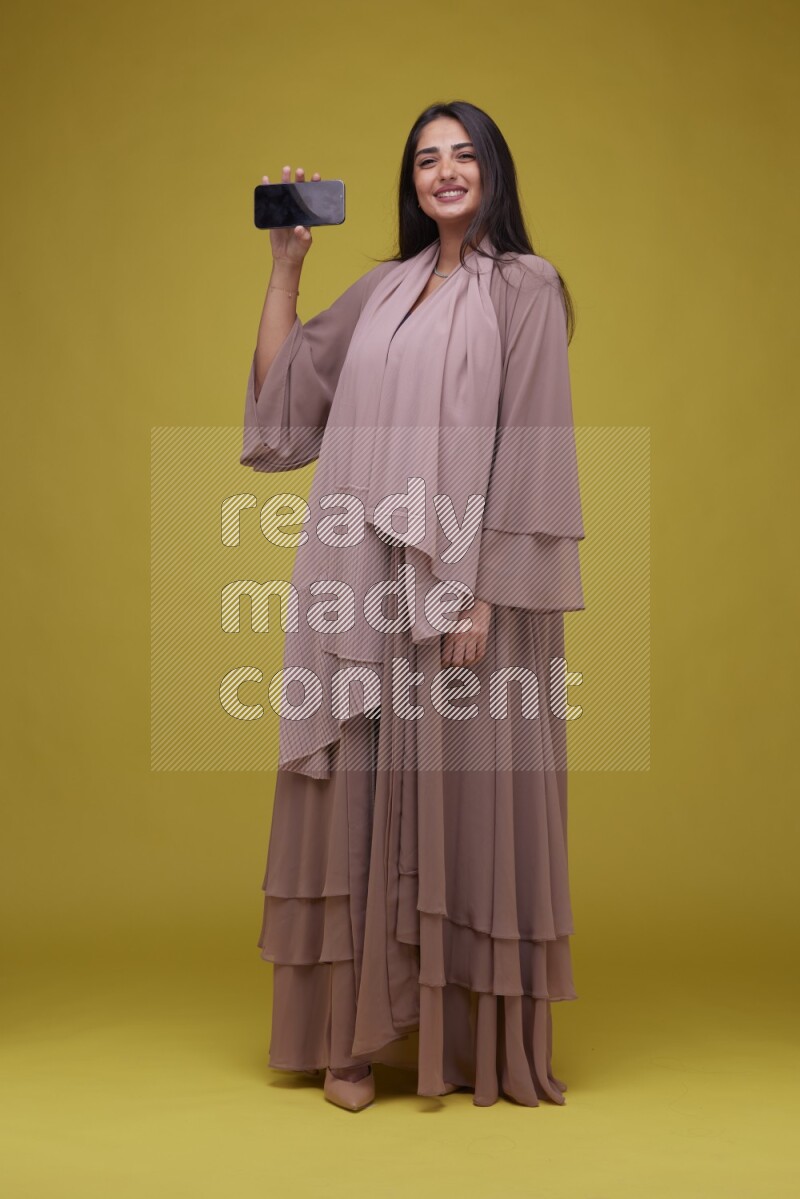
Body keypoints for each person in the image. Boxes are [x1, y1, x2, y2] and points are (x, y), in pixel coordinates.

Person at [240, 100, 585, 1111]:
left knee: (461, 791)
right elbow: (283, 406)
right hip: (358, 579)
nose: (443, 171)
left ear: (492, 171)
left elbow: (530, 445)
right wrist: (286, 267)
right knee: (354, 782)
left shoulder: (524, 287)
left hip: (468, 584)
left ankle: (455, 1034)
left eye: (461, 154)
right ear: (411, 180)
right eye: (426, 158)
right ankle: (348, 1040)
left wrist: (475, 591)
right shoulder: (382, 287)